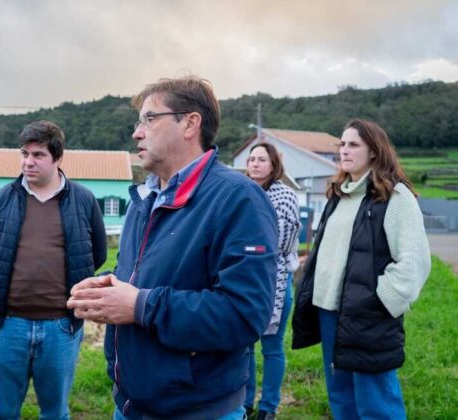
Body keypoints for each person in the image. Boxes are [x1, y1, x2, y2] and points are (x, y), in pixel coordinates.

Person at [67, 76, 278, 419]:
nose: (137, 132)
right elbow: (142, 276)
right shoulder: (144, 199)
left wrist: (139, 305)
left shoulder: (239, 198)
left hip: (196, 409)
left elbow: (245, 315)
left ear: (190, 123)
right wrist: (108, 287)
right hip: (131, 403)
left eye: (149, 119)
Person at [292, 119, 431, 419]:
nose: (344, 150)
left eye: (353, 144)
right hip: (328, 311)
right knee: (342, 399)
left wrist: (380, 300)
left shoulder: (395, 197)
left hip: (368, 315)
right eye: (341, 144)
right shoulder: (338, 195)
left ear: (374, 151)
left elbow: (415, 262)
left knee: (376, 404)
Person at [0, 120, 107, 419]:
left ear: (58, 158)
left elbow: (96, 253)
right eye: (24, 154)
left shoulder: (84, 199)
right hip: (7, 325)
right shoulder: (3, 197)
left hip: (60, 327)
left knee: (55, 413)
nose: (28, 162)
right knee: (2, 413)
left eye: (38, 155)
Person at [244, 143, 301, 420]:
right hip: (244, 279)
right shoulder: (241, 190)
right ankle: (245, 401)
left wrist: (249, 244)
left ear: (273, 164)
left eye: (261, 159)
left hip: (276, 278)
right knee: (244, 343)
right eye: (252, 158)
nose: (255, 164)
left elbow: (280, 242)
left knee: (272, 347)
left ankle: (268, 407)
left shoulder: (285, 195)